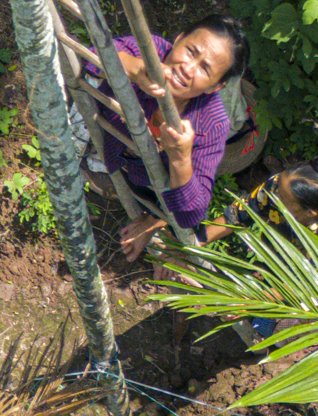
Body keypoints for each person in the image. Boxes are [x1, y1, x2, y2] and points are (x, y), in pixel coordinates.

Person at [82, 15, 247, 262]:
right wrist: (132, 67)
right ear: (178, 39)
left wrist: (180, 159)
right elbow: (88, 56)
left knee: (165, 197)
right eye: (190, 51)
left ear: (216, 87)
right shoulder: (152, 51)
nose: (187, 69)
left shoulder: (212, 123)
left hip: (144, 179)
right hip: (101, 135)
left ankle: (152, 220)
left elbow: (191, 214)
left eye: (205, 69)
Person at [201, 160, 318, 342]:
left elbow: (309, 285)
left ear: (309, 212)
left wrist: (250, 301)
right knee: (263, 333)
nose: (273, 194)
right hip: (279, 272)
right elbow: (236, 215)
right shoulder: (280, 187)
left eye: (281, 197)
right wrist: (191, 243)